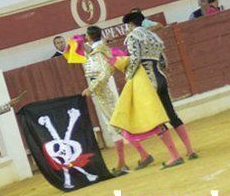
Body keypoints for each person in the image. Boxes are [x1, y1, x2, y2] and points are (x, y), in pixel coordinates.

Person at [123, 11, 197, 164]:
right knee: (171, 114)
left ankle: (174, 156)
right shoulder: (153, 36)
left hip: (149, 82)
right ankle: (190, 150)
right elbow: (163, 60)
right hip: (161, 77)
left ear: (131, 24)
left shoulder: (132, 37)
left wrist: (128, 76)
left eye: (127, 25)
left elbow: (135, 59)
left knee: (157, 120)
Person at [82, 25, 153, 174]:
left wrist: (92, 88)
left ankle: (144, 155)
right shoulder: (98, 50)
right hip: (104, 92)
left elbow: (104, 73)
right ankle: (122, 163)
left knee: (117, 126)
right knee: (113, 127)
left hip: (104, 92)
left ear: (89, 36)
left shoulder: (98, 52)